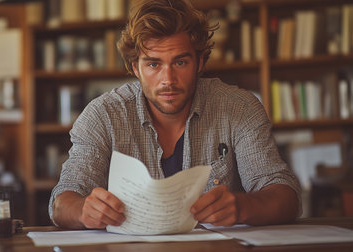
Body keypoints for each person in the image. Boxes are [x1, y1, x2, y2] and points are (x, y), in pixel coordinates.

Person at [49, 0, 300, 230]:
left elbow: (286, 196)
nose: (168, 80)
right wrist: (84, 211)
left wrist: (244, 207)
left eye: (180, 62)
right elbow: (61, 202)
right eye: (153, 64)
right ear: (135, 67)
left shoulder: (239, 108)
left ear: (200, 62)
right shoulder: (102, 115)